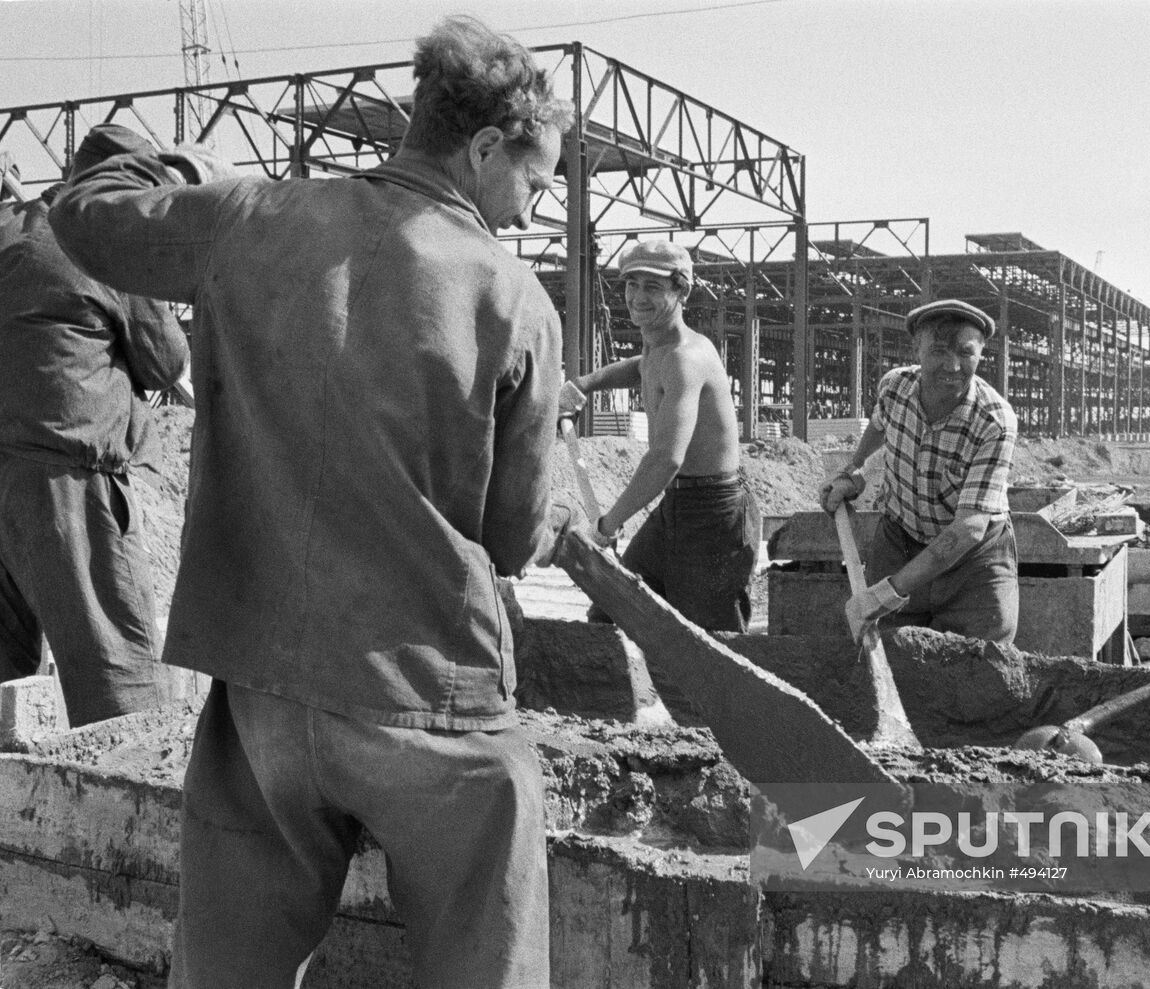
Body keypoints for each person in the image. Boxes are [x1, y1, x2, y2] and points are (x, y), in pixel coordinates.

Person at [51, 16, 570, 988]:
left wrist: (173, 158)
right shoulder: (512, 296)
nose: (531, 211)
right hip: (429, 698)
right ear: (487, 146)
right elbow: (507, 540)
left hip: (262, 699)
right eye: (533, 182)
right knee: (485, 937)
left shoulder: (251, 216)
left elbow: (86, 213)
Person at [0, 123, 188, 728]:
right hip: (68, 487)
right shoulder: (103, 245)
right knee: (120, 693)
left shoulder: (12, 233)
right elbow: (167, 362)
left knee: (5, 686)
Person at [559, 240, 760, 632]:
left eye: (652, 287)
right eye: (632, 284)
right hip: (678, 506)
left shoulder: (686, 358)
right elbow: (641, 366)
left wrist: (607, 525)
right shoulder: (659, 347)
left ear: (681, 290)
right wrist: (585, 383)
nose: (637, 297)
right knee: (614, 608)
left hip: (714, 516)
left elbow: (665, 460)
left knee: (711, 643)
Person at [818, 299, 1019, 647]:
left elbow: (969, 529)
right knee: (888, 655)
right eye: (938, 351)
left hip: (974, 563)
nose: (952, 365)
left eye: (965, 353)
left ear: (982, 354)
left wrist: (889, 591)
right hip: (900, 541)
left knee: (980, 663)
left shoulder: (994, 421)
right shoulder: (895, 387)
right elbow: (881, 425)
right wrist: (855, 469)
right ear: (917, 348)